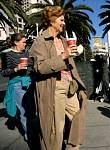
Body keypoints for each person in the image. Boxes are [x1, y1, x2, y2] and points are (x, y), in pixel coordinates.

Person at [29, 6, 87, 150]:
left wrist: (74, 53)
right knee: (56, 129)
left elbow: (68, 61)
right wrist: (64, 56)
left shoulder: (63, 40)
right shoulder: (41, 41)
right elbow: (40, 67)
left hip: (70, 85)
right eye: (61, 20)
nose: (63, 23)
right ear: (52, 20)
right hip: (55, 87)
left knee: (78, 119)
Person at [1, 33, 33, 141]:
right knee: (24, 110)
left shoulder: (26, 53)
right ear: (15, 42)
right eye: (23, 42)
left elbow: (32, 66)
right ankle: (28, 134)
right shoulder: (7, 55)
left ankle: (31, 129)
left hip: (29, 82)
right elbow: (4, 72)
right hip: (17, 84)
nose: (25, 44)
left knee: (31, 109)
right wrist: (16, 69)